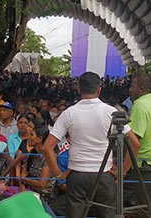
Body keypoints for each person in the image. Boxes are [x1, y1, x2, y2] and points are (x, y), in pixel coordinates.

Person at [43, 72, 140, 218]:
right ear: (99, 89)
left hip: (77, 175)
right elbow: (135, 144)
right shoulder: (110, 112)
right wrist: (122, 171)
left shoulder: (69, 113)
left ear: (78, 89)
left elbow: (47, 148)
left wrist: (59, 175)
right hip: (103, 176)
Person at [126, 74, 151, 212]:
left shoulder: (139, 105)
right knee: (148, 203)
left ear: (141, 88)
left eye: (132, 86)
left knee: (145, 207)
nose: (130, 90)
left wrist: (123, 170)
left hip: (143, 162)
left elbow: (135, 141)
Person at [20, 126, 57, 206]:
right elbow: (22, 176)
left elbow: (42, 184)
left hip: (44, 198)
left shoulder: (49, 157)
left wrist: (24, 180)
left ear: (39, 139)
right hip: (30, 193)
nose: (28, 137)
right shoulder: (32, 154)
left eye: (31, 135)